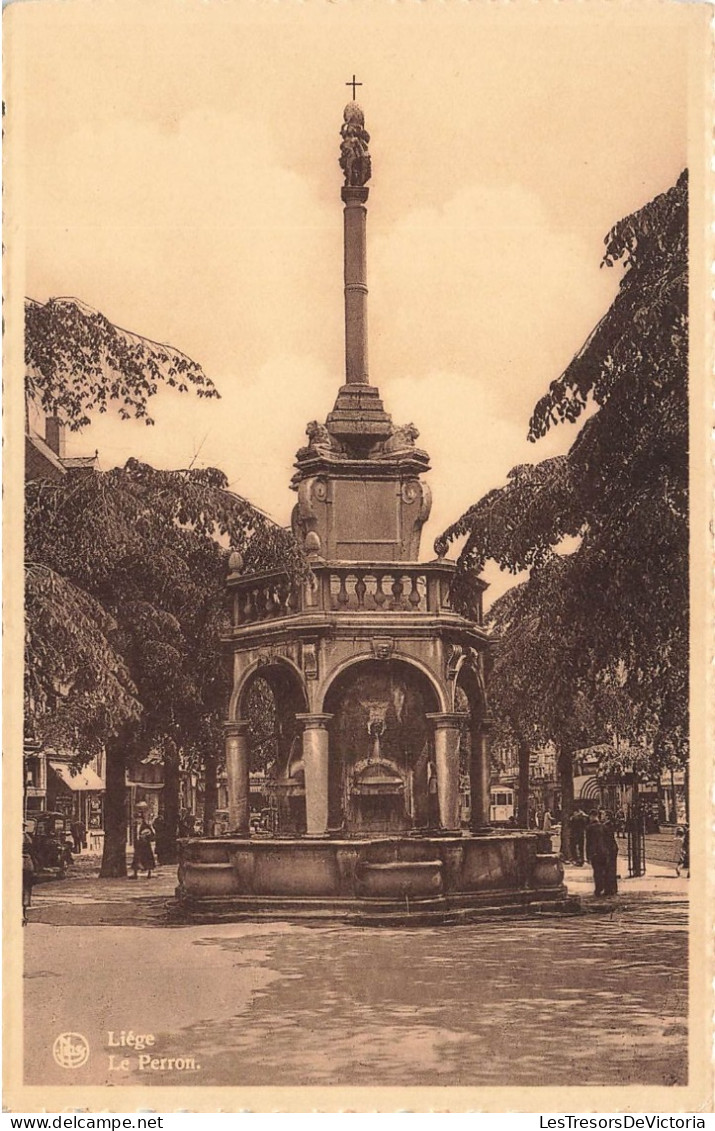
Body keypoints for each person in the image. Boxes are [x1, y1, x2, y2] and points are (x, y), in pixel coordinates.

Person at [129, 804, 156, 879]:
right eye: (136, 819)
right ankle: (135, 873)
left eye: (139, 819)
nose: (137, 820)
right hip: (138, 845)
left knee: (147, 858)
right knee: (136, 859)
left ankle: (149, 873)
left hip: (145, 845)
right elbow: (134, 836)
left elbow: (152, 835)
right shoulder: (134, 827)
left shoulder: (145, 826)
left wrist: (146, 836)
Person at [585, 810, 608, 896]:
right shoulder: (604, 827)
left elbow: (588, 843)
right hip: (604, 852)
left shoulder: (589, 828)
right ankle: (605, 888)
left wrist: (588, 856)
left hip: (595, 853)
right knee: (604, 870)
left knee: (597, 872)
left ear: (591, 816)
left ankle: (598, 889)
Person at [22, 826, 38, 925]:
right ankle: (23, 914)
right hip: (27, 863)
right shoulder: (27, 837)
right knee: (26, 888)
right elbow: (33, 852)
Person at [602, 810, 619, 895]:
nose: (601, 816)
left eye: (603, 815)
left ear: (607, 817)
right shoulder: (609, 825)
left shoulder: (606, 826)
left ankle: (609, 889)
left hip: (609, 850)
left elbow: (607, 840)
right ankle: (612, 888)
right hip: (612, 849)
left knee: (608, 869)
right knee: (611, 869)